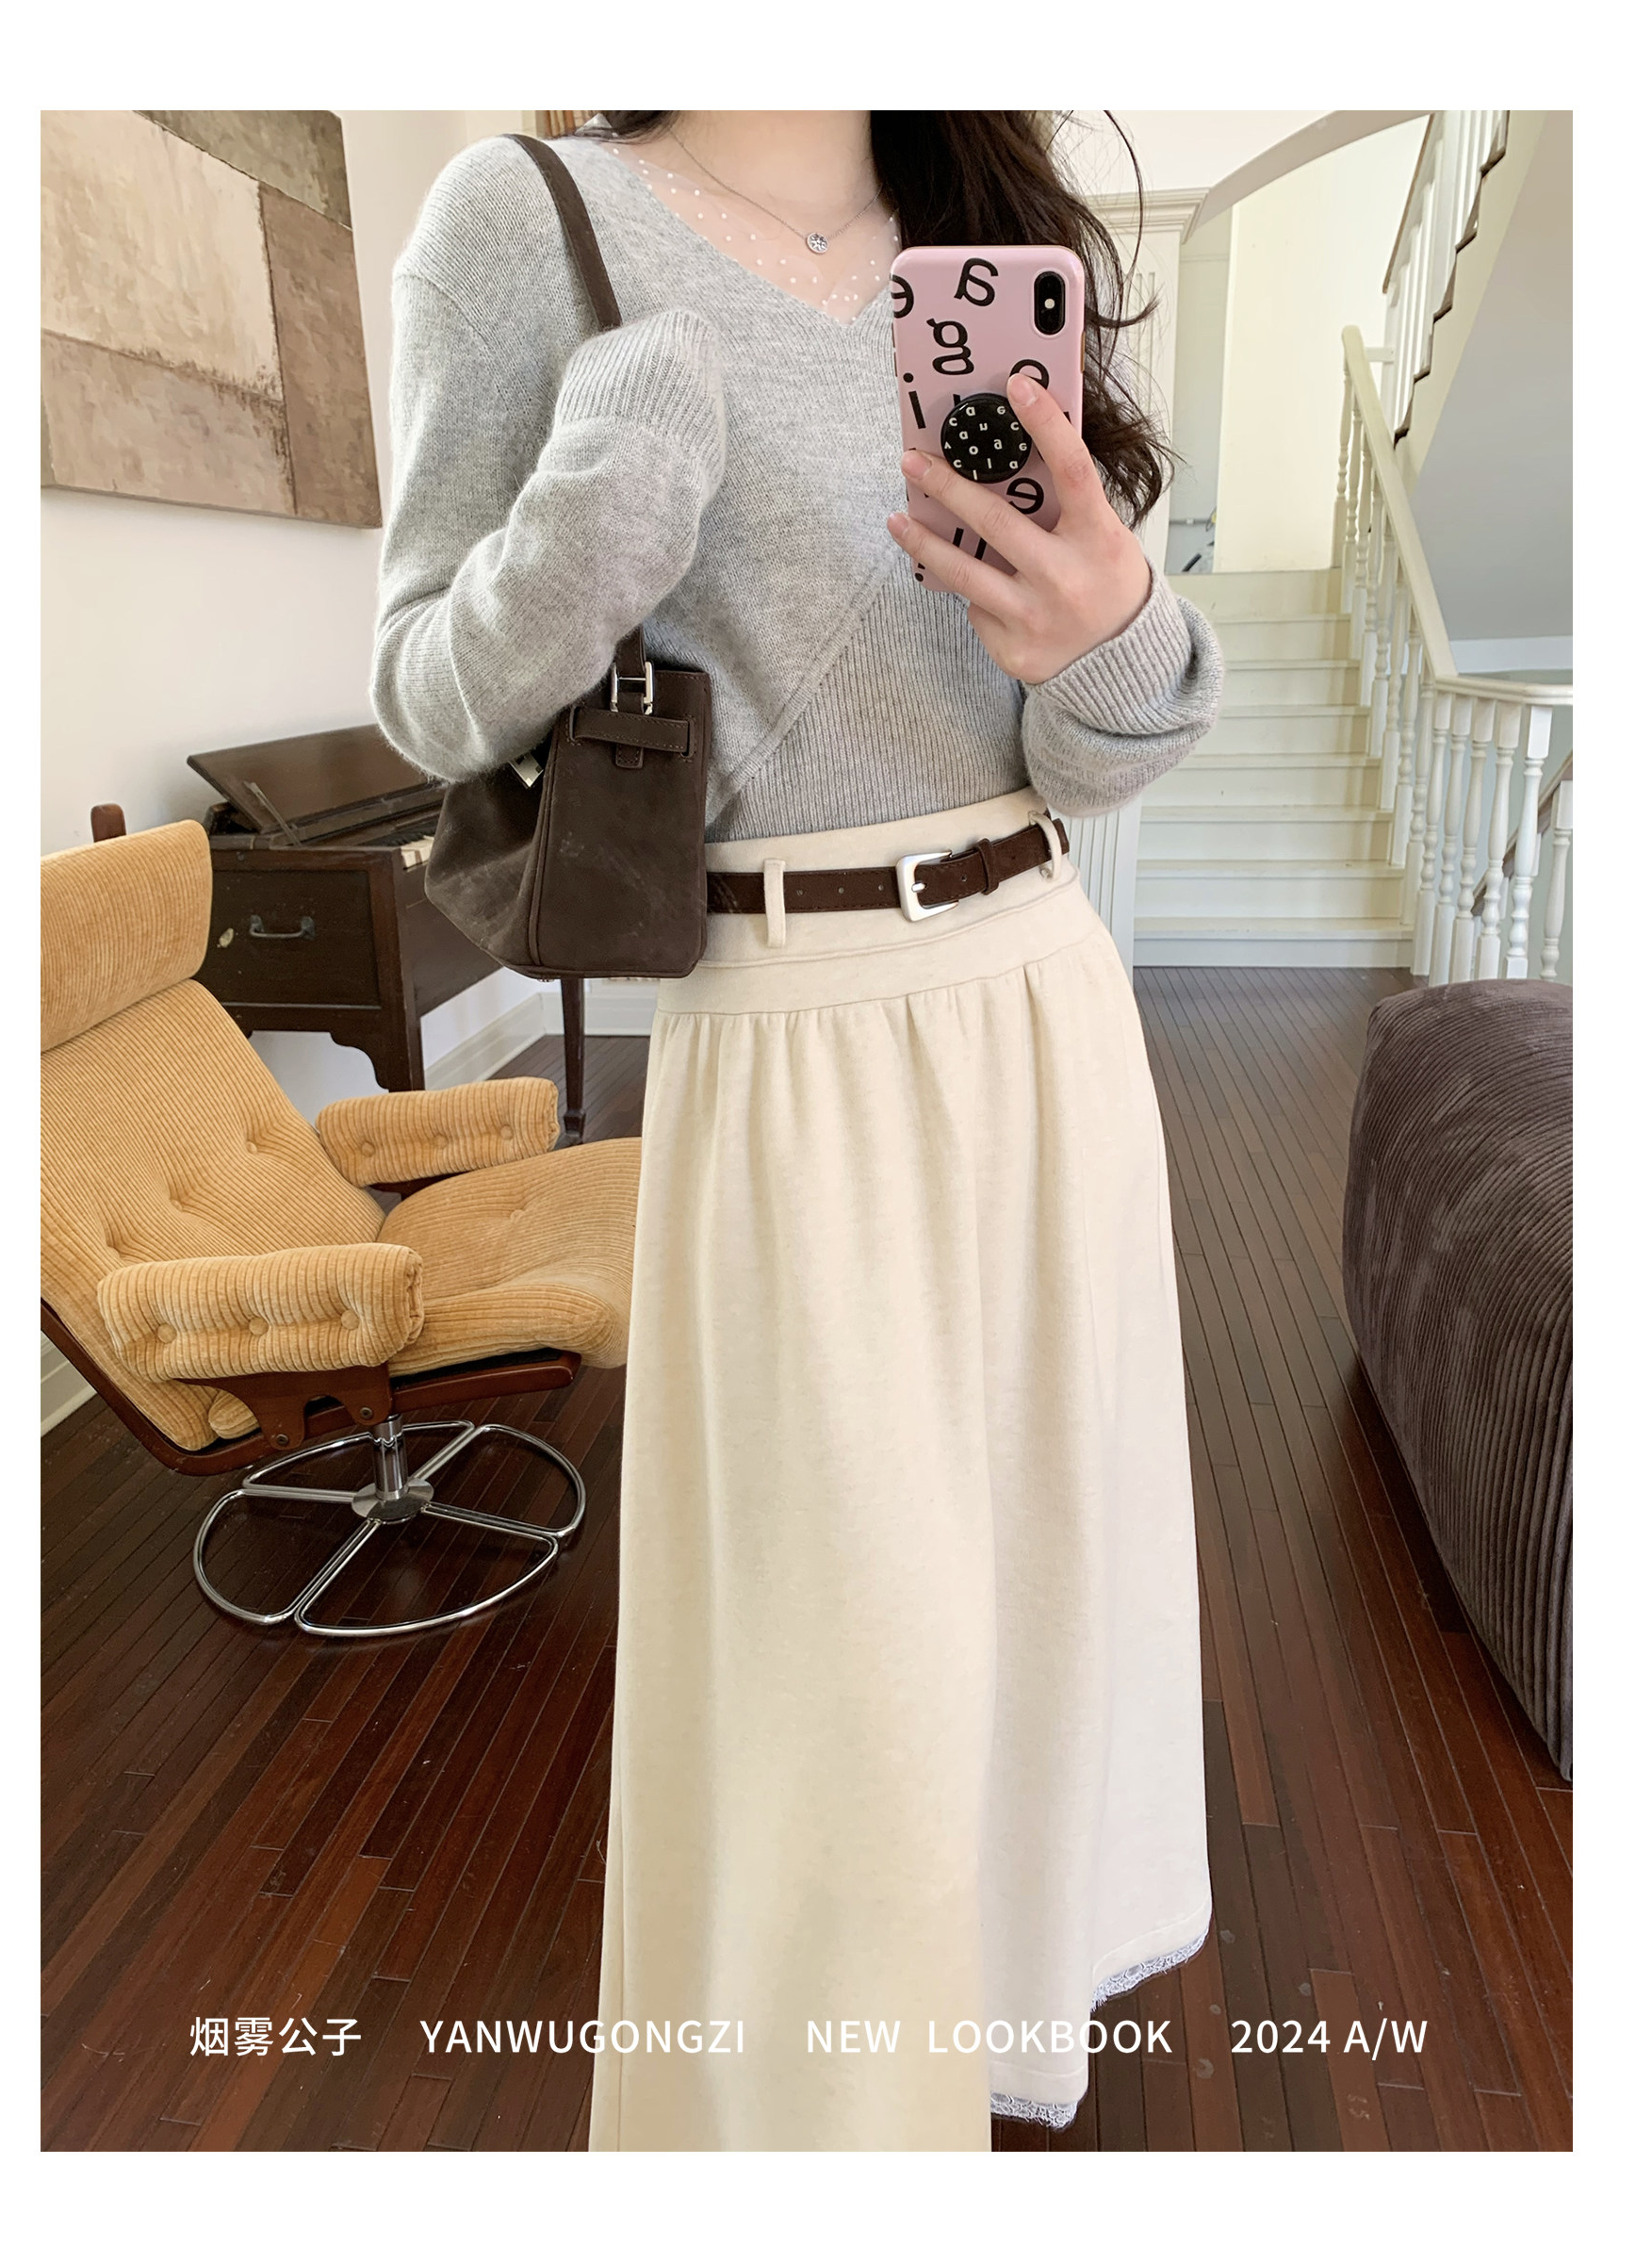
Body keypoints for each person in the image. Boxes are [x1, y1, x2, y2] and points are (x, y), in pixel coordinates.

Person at [372, 108, 1223, 2152]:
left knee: (1046, 1589)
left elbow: (1104, 755)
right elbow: (424, 697)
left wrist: (1113, 622)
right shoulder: (529, 215)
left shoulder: (985, 233)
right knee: (847, 1671)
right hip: (786, 1032)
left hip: (1043, 1001)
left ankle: (993, 2026)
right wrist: (605, 497)